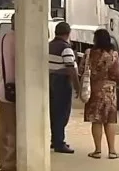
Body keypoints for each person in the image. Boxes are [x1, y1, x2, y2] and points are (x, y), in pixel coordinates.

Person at [81, 29, 119, 160]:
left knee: (96, 120)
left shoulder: (89, 53)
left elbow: (82, 70)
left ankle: (97, 150)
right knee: (110, 120)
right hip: (109, 90)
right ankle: (112, 151)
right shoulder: (114, 55)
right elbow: (117, 75)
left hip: (94, 89)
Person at [48, 22, 80, 154]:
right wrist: (77, 87)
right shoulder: (66, 49)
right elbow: (70, 69)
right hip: (61, 82)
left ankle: (55, 139)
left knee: (54, 112)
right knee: (62, 113)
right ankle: (59, 143)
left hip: (50, 81)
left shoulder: (49, 45)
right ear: (68, 33)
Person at [0, 14, 16, 171]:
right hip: (19, 91)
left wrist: (3, 65)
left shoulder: (5, 38)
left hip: (4, 89)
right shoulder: (25, 38)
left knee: (6, 129)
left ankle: (6, 163)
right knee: (14, 130)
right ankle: (10, 164)